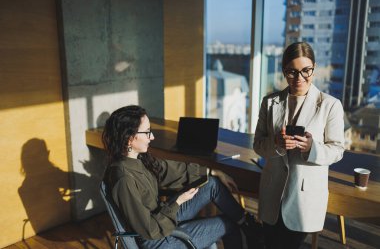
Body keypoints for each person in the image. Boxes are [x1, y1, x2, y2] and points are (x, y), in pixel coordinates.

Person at [102, 105, 256, 249]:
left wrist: (211, 171)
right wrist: (177, 202)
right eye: (147, 132)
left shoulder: (137, 159)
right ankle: (249, 232)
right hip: (158, 240)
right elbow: (150, 230)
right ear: (130, 138)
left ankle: (248, 224)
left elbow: (169, 170)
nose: (152, 137)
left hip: (162, 217)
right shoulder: (124, 179)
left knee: (211, 183)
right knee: (227, 224)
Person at [253, 42, 345, 249]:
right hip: (272, 194)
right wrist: (276, 144)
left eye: (306, 71)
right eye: (292, 72)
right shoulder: (270, 102)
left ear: (314, 68)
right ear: (284, 72)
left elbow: (338, 150)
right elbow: (258, 145)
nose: (299, 78)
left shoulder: (330, 105)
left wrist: (312, 148)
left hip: (304, 198)